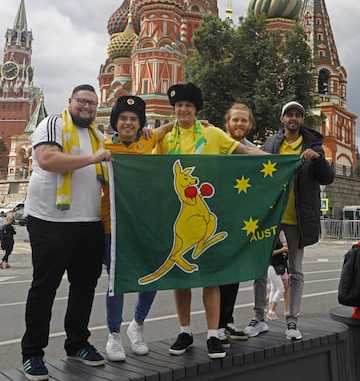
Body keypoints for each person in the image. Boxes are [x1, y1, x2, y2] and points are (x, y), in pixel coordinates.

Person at [154, 83, 265, 360]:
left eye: (188, 105)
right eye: (178, 105)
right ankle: (185, 331)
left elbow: (245, 152)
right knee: (181, 278)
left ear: (195, 109)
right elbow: (150, 169)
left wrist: (281, 158)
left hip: (210, 212)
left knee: (212, 276)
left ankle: (214, 334)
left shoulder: (213, 133)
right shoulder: (166, 139)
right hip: (176, 214)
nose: (183, 109)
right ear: (174, 109)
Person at [21, 85, 112, 381]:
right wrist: (94, 158)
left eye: (93, 103)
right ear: (70, 102)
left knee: (84, 286)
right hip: (50, 221)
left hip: (88, 220)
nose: (87, 107)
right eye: (82, 102)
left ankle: (77, 344)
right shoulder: (54, 124)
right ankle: (33, 352)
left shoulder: (98, 135)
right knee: (44, 287)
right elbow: (48, 160)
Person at [244, 100, 334, 341]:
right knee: (260, 268)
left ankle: (292, 321)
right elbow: (259, 168)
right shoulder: (272, 143)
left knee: (295, 270)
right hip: (271, 216)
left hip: (297, 219)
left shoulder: (313, 145)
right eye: (289, 114)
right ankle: (258, 318)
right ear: (282, 119)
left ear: (302, 120)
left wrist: (318, 159)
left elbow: (328, 178)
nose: (293, 118)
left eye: (298, 115)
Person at [101, 95, 173, 362]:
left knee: (151, 275)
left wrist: (200, 123)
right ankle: (113, 336)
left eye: (134, 119)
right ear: (115, 122)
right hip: (114, 224)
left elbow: (168, 128)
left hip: (145, 222)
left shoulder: (147, 139)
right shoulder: (104, 146)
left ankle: (137, 325)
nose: (128, 123)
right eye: (123, 119)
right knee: (116, 280)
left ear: (141, 123)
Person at [218, 103, 258, 347]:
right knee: (217, 273)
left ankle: (227, 320)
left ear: (249, 125)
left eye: (244, 121)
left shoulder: (254, 151)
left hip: (240, 218)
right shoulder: (216, 142)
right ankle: (216, 326)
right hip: (217, 215)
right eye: (236, 120)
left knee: (233, 272)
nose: (240, 124)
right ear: (227, 123)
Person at [266, 230, 288, 321]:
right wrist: (282, 250)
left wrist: (283, 252)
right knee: (281, 289)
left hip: (277, 265)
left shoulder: (279, 234)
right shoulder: (270, 237)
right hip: (272, 266)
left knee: (273, 289)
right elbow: (269, 253)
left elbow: (285, 246)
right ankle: (271, 311)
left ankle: (270, 311)